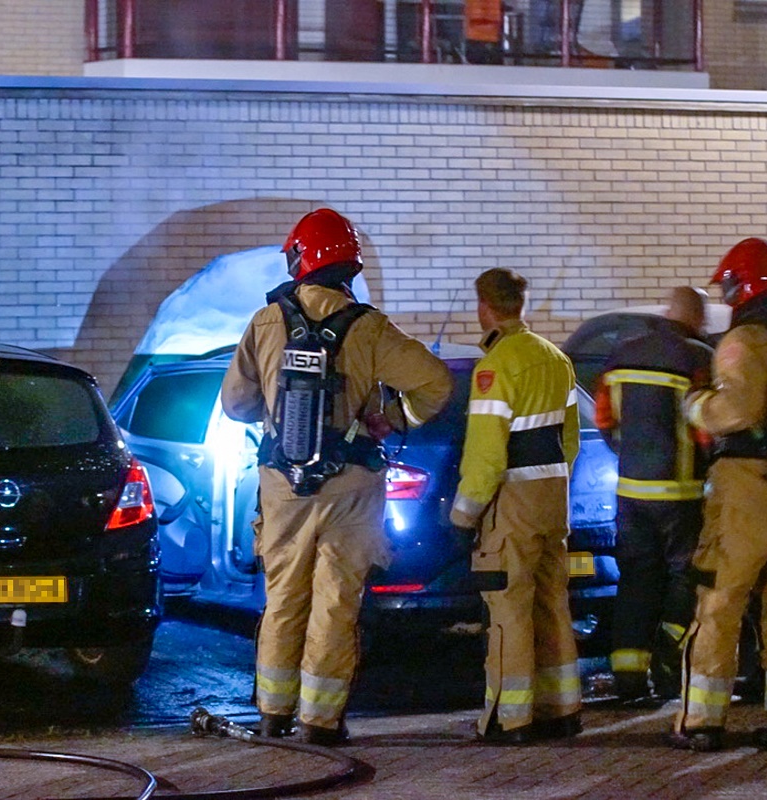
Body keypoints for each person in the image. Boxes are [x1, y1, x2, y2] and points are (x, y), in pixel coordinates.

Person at [221, 208, 453, 746]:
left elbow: (235, 404)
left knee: (283, 597)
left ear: (302, 257)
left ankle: (273, 715)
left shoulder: (266, 321)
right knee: (335, 602)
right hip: (351, 487)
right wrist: (392, 419)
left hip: (283, 486)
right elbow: (436, 384)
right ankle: (321, 722)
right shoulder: (369, 328)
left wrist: (274, 411)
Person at [670, 238, 767, 752]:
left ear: (744, 285)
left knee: (719, 600)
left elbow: (737, 412)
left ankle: (701, 720)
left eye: (729, 284)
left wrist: (696, 406)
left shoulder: (745, 341)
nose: (725, 294)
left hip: (746, 488)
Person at [450, 267, 582, 745]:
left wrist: (464, 515)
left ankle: (510, 718)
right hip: (553, 500)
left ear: (484, 305)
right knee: (552, 603)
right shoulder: (556, 358)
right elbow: (569, 441)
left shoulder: (496, 367)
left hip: (514, 505)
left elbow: (486, 456)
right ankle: (562, 710)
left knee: (509, 610)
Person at [595, 287, 713, 704]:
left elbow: (604, 417)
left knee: (637, 578)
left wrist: (627, 454)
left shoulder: (621, 354)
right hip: (682, 494)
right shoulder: (698, 357)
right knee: (687, 574)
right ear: (696, 318)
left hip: (630, 492)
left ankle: (628, 675)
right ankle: (668, 658)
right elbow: (706, 431)